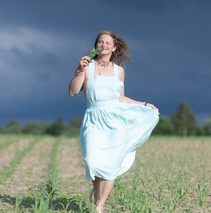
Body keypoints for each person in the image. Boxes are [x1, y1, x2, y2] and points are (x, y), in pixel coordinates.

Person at [68, 30, 159, 213]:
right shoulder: (87, 67)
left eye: (108, 42)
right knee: (92, 161)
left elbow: (121, 98)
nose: (104, 44)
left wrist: (145, 104)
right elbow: (73, 92)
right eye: (100, 41)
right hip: (94, 119)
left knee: (110, 164)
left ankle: (99, 206)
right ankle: (96, 190)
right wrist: (78, 70)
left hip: (116, 120)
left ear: (114, 47)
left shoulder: (119, 71)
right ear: (96, 46)